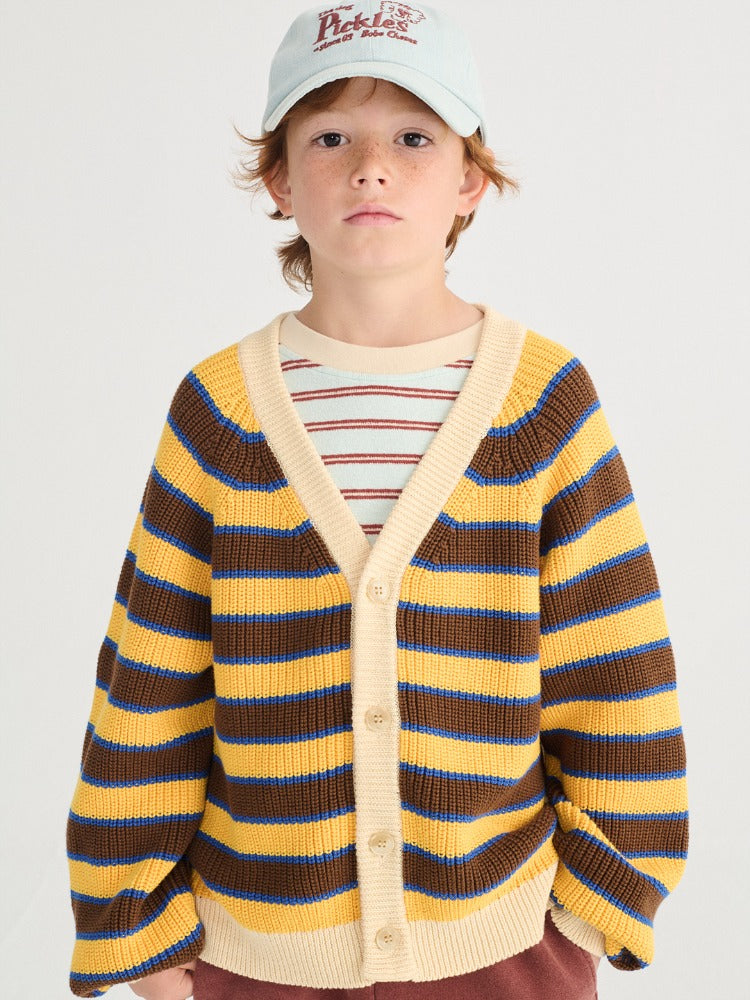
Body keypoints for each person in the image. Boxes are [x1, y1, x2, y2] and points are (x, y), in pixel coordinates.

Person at [66, 3, 688, 998]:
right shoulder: (220, 410)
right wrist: (133, 920)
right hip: (255, 949)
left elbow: (616, 662)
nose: (371, 168)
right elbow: (152, 676)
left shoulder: (541, 401)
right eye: (330, 138)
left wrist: (601, 898)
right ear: (279, 180)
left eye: (412, 137)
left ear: (470, 178)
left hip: (504, 945)